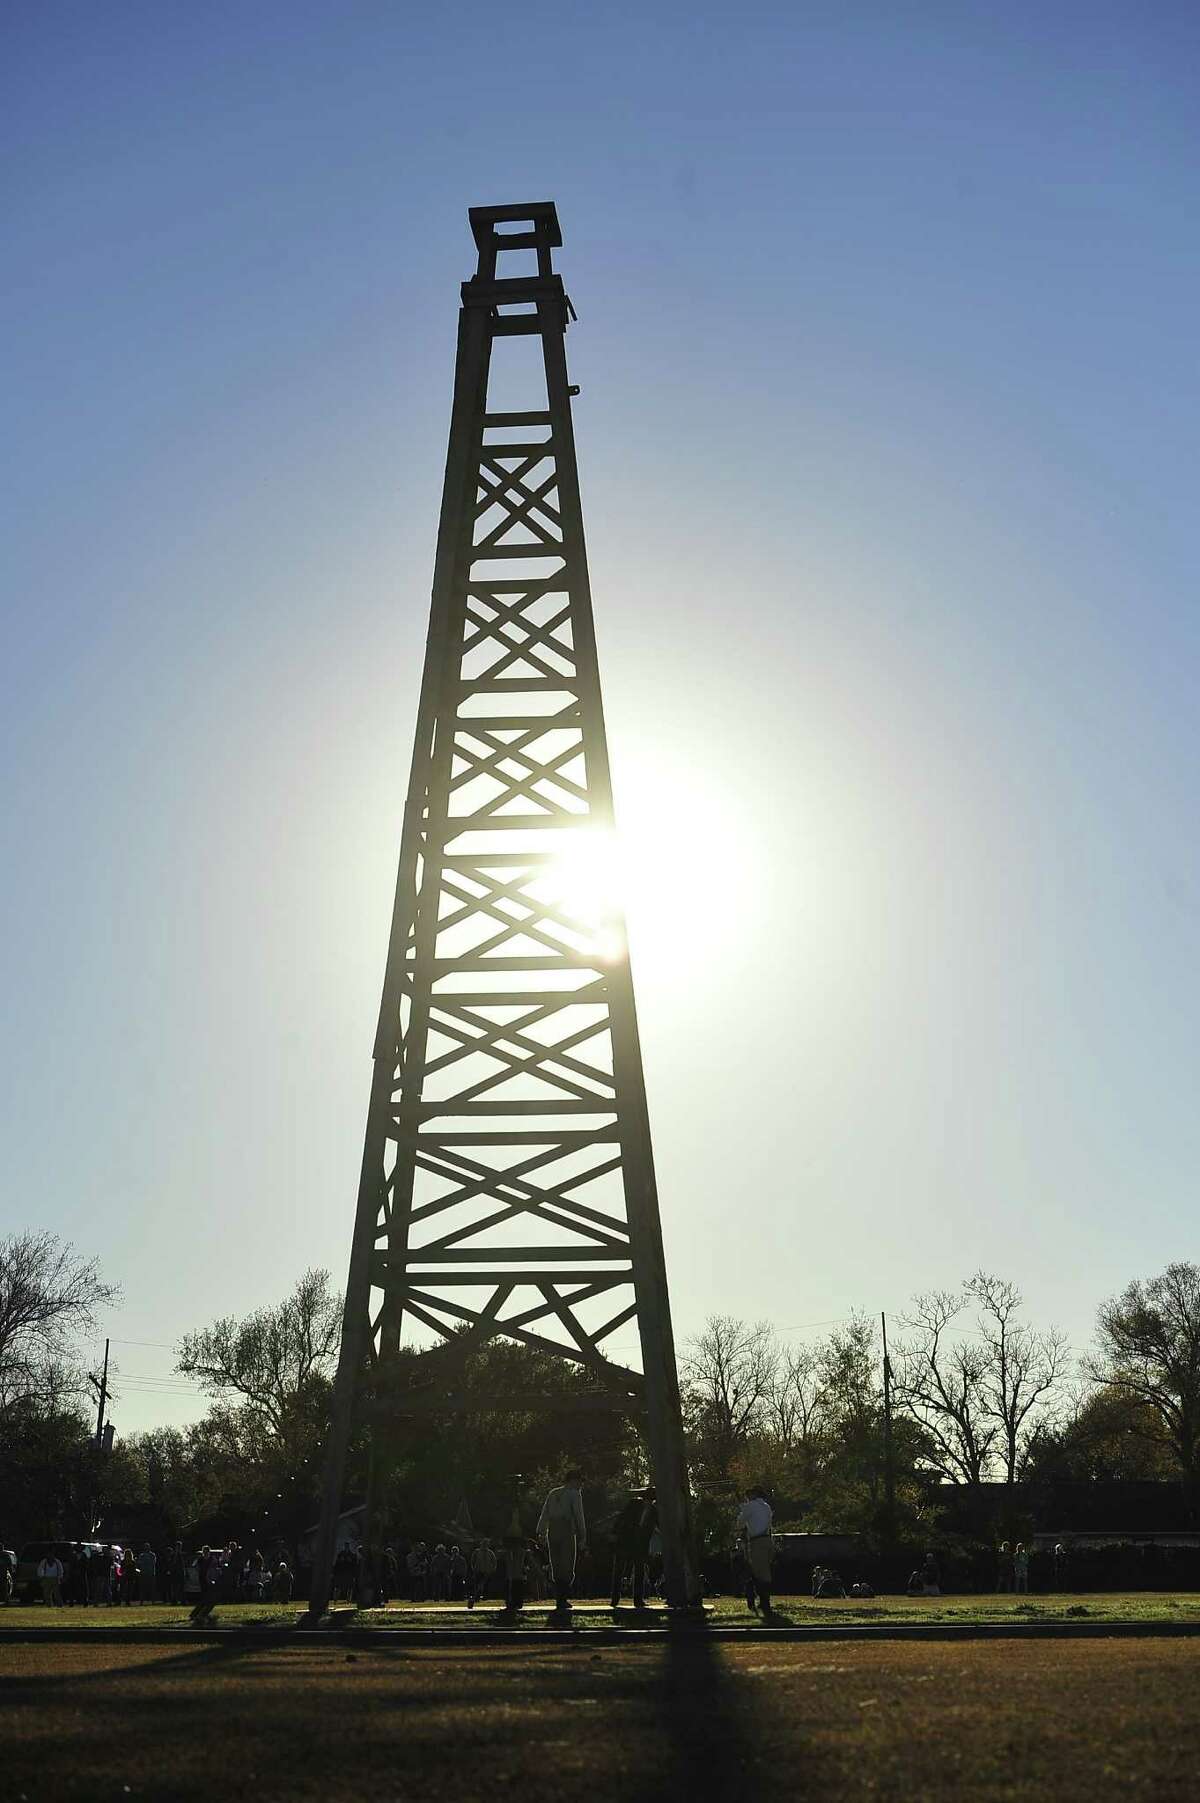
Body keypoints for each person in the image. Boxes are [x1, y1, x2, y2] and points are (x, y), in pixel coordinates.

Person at [537, 1469, 587, 1613]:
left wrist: (540, 1531)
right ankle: (563, 1598)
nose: (581, 1485)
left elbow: (544, 1513)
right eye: (579, 1481)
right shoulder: (574, 1494)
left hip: (552, 1530)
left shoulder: (553, 1493)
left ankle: (559, 1598)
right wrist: (583, 1534)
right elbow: (579, 1515)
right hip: (566, 1529)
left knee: (556, 1564)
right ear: (573, 1480)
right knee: (567, 1563)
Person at [610, 1487, 655, 1610]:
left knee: (639, 1571)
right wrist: (614, 1532)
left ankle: (638, 1600)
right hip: (625, 1541)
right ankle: (615, 1599)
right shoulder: (634, 1503)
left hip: (640, 1544)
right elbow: (622, 1517)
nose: (649, 1502)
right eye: (648, 1500)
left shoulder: (654, 1510)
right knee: (619, 1570)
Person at [736, 1485, 774, 1615]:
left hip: (757, 1540)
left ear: (753, 1495)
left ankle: (763, 1602)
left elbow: (739, 1523)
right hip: (767, 1540)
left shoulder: (750, 1506)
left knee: (758, 1572)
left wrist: (742, 1509)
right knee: (765, 1571)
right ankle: (763, 1600)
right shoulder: (766, 1506)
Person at [468, 1539, 497, 1609]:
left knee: (484, 1584)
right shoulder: (477, 1552)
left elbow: (494, 1561)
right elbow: (472, 1560)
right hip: (478, 1570)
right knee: (478, 1585)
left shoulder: (490, 1553)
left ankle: (482, 1596)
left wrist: (492, 1569)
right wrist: (473, 1568)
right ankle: (477, 1597)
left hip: (486, 1571)